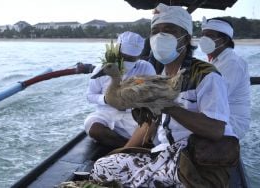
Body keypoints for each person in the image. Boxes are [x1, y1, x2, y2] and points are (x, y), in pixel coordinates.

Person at [90, 3, 237, 187]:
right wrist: (123, 152)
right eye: (155, 31)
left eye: (169, 30)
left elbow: (216, 130)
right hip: (163, 153)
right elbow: (148, 124)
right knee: (102, 166)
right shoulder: (161, 76)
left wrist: (168, 106)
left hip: (194, 158)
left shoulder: (206, 75)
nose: (160, 36)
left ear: (186, 38)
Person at [84, 31, 156, 148]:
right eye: (124, 57)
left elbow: (153, 95)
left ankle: (126, 148)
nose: (126, 61)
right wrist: (107, 99)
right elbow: (90, 95)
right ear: (117, 51)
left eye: (132, 59)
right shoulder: (102, 69)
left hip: (133, 116)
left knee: (150, 130)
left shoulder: (146, 68)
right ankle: (130, 148)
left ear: (139, 56)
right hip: (107, 113)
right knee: (95, 130)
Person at [199, 17, 251, 139]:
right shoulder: (215, 61)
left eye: (209, 35)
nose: (204, 39)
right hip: (218, 114)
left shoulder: (232, 63)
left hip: (232, 121)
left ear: (223, 40)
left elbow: (214, 96)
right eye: (203, 35)